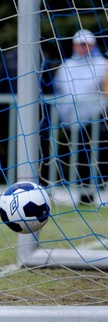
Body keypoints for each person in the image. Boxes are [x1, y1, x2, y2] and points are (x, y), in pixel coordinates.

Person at [53, 29, 108, 203]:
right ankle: (83, 193)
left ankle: (94, 190)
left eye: (87, 45)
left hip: (96, 117)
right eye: (80, 45)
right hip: (71, 119)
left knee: (96, 155)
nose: (83, 48)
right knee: (78, 157)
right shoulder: (66, 66)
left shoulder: (103, 64)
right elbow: (60, 91)